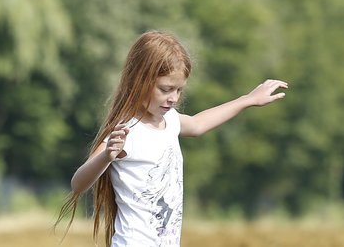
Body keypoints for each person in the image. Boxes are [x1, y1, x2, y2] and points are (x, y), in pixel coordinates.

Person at [56, 30, 288, 246]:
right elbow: (78, 184)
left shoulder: (170, 122)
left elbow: (198, 124)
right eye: (166, 89)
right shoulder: (127, 131)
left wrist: (247, 99)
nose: (173, 98)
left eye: (179, 90)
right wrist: (107, 156)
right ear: (140, 81)